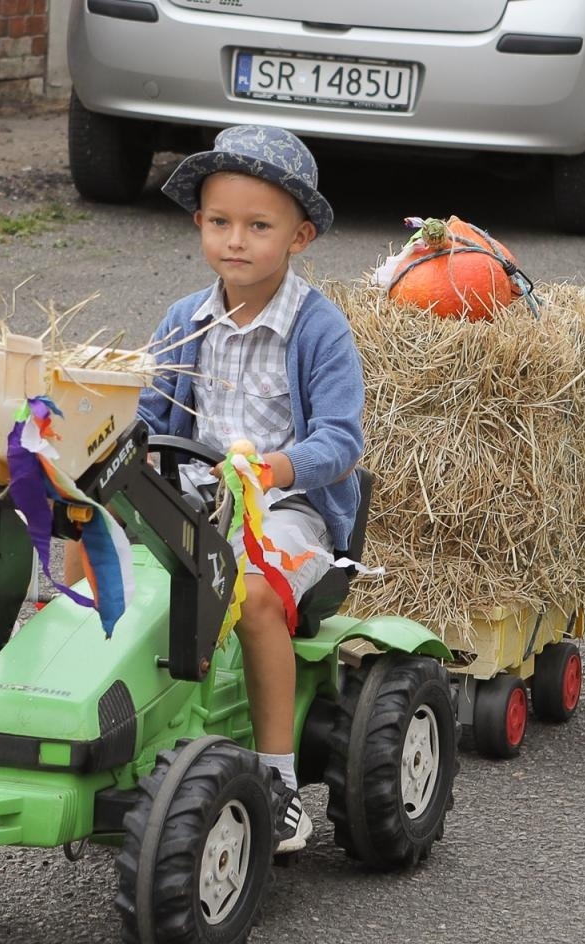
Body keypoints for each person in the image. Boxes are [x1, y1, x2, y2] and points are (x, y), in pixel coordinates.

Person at [139, 124, 366, 854]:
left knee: (256, 597)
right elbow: (147, 416)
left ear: (299, 237)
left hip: (284, 512)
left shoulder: (319, 331)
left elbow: (342, 441)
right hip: (191, 497)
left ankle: (278, 779)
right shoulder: (184, 321)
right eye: (219, 222)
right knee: (93, 541)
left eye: (258, 226)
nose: (235, 241)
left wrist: (273, 468)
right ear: (199, 224)